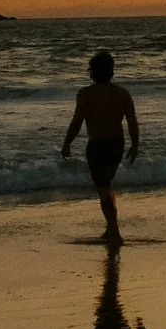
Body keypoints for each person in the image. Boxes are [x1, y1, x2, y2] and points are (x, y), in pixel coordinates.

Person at [61, 50, 140, 245]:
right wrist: (135, 144)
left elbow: (77, 122)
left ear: (92, 72)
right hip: (117, 144)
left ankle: (115, 232)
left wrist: (67, 142)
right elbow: (132, 121)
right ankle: (110, 227)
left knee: (103, 188)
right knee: (108, 185)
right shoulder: (122, 94)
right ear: (111, 71)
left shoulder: (86, 94)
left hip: (97, 145)